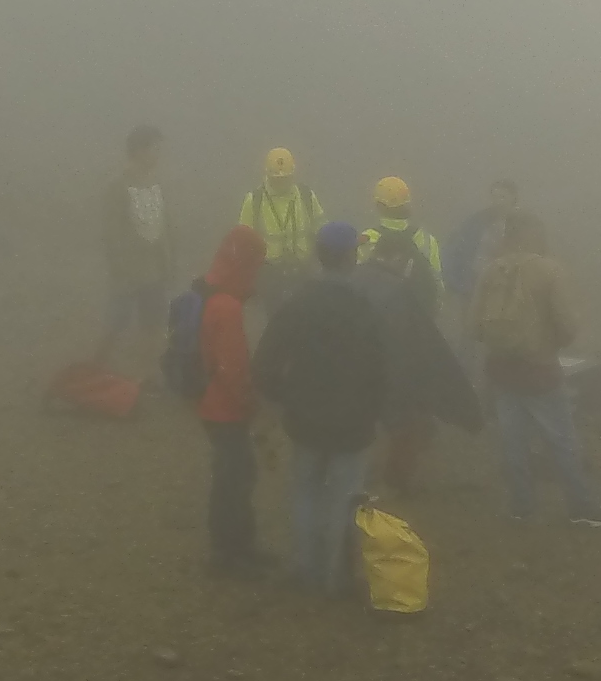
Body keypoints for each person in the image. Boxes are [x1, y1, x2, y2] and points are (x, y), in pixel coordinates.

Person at [252, 219, 388, 592]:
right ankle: (335, 578)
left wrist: (286, 397)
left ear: (318, 256)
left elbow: (263, 364)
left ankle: (306, 570)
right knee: (344, 499)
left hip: (305, 418)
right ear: (351, 258)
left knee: (306, 492)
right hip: (353, 423)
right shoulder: (366, 307)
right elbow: (381, 369)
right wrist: (376, 414)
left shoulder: (298, 303)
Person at [470, 210, 601, 526]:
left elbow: (475, 325)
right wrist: (551, 343)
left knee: (513, 441)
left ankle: (521, 506)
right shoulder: (549, 270)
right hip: (540, 371)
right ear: (532, 233)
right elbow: (567, 326)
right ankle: (582, 507)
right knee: (563, 441)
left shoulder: (491, 271)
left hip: (502, 370)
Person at [360, 181, 481, 493]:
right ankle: (408, 455)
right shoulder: (426, 239)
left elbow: (359, 286)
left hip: (374, 331)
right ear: (408, 205)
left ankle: (373, 454)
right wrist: (429, 318)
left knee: (372, 389)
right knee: (413, 389)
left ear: (378, 205)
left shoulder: (367, 238)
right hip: (417, 328)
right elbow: (438, 284)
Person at [193, 223, 268, 575]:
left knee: (234, 475)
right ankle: (229, 553)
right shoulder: (227, 307)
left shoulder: (210, 294)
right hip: (224, 410)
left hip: (211, 403)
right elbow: (232, 367)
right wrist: (249, 402)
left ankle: (239, 546)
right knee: (234, 480)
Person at [92, 124, 173, 370]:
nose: (159, 155)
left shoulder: (157, 185)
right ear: (139, 151)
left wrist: (167, 261)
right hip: (128, 273)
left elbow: (165, 226)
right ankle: (94, 372)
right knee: (115, 325)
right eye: (155, 149)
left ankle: (144, 376)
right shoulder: (117, 187)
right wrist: (120, 269)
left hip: (155, 270)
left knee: (153, 326)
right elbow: (110, 234)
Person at [239, 148, 324, 297]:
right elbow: (243, 243)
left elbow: (321, 230)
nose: (281, 182)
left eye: (286, 178)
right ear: (267, 175)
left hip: (304, 272)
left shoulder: (306, 196)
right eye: (277, 179)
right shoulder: (254, 200)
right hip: (269, 276)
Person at [442, 181, 523, 329]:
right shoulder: (477, 221)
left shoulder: (525, 224)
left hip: (509, 288)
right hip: (474, 283)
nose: (498, 201)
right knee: (470, 327)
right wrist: (456, 280)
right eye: (495, 197)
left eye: (503, 197)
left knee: (502, 329)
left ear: (514, 198)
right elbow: (458, 249)